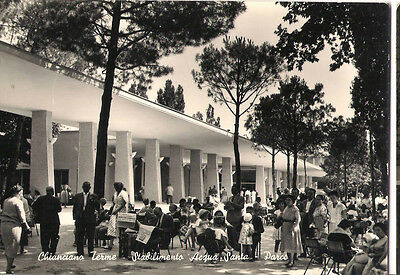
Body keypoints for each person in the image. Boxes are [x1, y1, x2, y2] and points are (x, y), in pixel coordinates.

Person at [1, 185, 30, 274]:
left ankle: (10, 264)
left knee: (7, 246)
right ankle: (8, 269)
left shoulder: (6, 200)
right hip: (13, 226)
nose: (22, 195)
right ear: (18, 193)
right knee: (13, 247)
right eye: (21, 193)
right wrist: (27, 226)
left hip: (3, 224)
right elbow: (22, 216)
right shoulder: (18, 202)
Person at [32, 186, 62, 256]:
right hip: (54, 221)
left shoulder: (41, 199)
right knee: (54, 236)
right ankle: (52, 251)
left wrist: (39, 212)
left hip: (44, 220)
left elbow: (34, 206)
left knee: (44, 236)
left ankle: (45, 251)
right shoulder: (56, 199)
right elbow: (59, 210)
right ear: (52, 192)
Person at [73, 181, 99, 256]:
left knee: (90, 236)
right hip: (80, 218)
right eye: (85, 187)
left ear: (90, 188)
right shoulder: (78, 196)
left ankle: (91, 252)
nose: (86, 188)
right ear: (82, 187)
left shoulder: (93, 196)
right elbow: (75, 207)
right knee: (79, 235)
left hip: (90, 219)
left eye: (87, 187)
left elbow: (97, 207)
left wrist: (94, 201)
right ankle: (80, 252)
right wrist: (75, 217)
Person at [281, 194, 303, 268]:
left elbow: (298, 219)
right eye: (286, 200)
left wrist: (294, 227)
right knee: (286, 244)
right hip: (285, 226)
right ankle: (289, 259)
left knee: (291, 244)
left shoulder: (295, 209)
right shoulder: (286, 208)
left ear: (292, 201)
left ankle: (291, 261)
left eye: (289, 200)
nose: (287, 201)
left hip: (292, 226)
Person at [107, 182, 129, 250]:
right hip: (115, 210)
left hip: (121, 211)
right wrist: (112, 210)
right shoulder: (115, 193)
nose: (115, 188)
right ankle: (111, 244)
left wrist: (117, 210)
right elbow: (114, 202)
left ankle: (121, 242)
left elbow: (124, 203)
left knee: (120, 227)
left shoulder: (124, 193)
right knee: (112, 226)